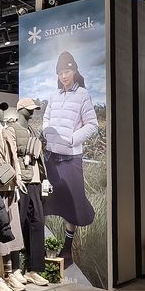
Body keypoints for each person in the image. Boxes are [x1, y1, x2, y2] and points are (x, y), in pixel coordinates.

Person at [42, 51, 98, 268]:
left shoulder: (83, 95)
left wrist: (72, 139)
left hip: (71, 158)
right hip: (52, 156)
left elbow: (92, 125)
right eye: (60, 72)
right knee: (46, 200)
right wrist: (47, 131)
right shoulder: (54, 96)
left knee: (72, 203)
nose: (64, 76)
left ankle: (67, 250)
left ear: (74, 71)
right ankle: (42, 246)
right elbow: (46, 117)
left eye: (67, 71)